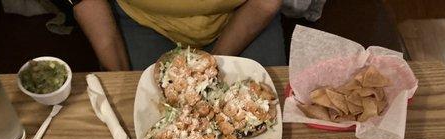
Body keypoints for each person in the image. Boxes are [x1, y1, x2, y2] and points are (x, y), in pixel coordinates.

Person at [73, 0, 286, 70]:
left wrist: (210, 64)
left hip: (243, 15)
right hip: (142, 20)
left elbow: (265, 2)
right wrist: (119, 77)